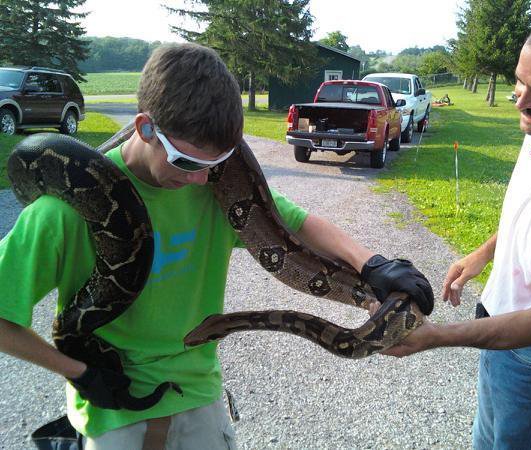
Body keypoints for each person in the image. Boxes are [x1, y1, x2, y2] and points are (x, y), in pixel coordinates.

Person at [0, 43, 434, 449]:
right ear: (145, 127)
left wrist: (372, 263)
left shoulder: (215, 193)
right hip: (113, 412)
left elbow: (298, 224)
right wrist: (78, 373)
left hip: (201, 397)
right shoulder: (58, 214)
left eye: (218, 165)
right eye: (188, 162)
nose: (202, 180)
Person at [374, 5, 531, 449]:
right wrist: (483, 252)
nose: (520, 100)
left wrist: (436, 336)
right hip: (503, 326)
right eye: (520, 81)